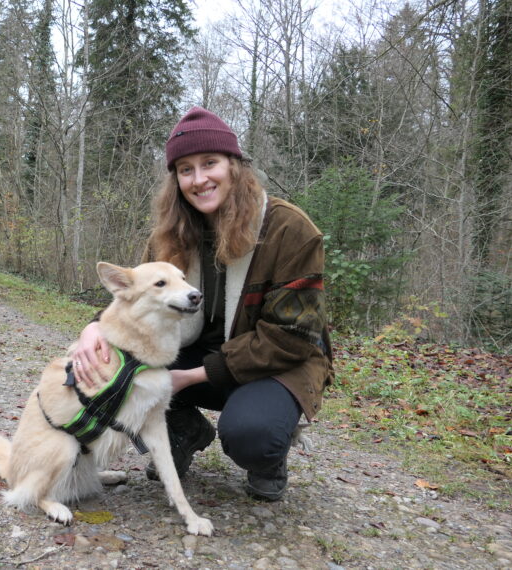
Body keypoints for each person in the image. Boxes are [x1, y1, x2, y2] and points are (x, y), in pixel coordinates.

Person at [72, 106, 334, 501]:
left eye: (210, 163)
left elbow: (292, 338)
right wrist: (95, 326)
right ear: (176, 180)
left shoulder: (290, 229)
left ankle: (268, 455)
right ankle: (182, 431)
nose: (199, 179)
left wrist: (192, 377)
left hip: (276, 362)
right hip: (195, 351)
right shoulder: (170, 233)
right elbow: (137, 296)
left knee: (252, 434)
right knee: (114, 369)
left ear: (234, 165)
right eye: (185, 169)